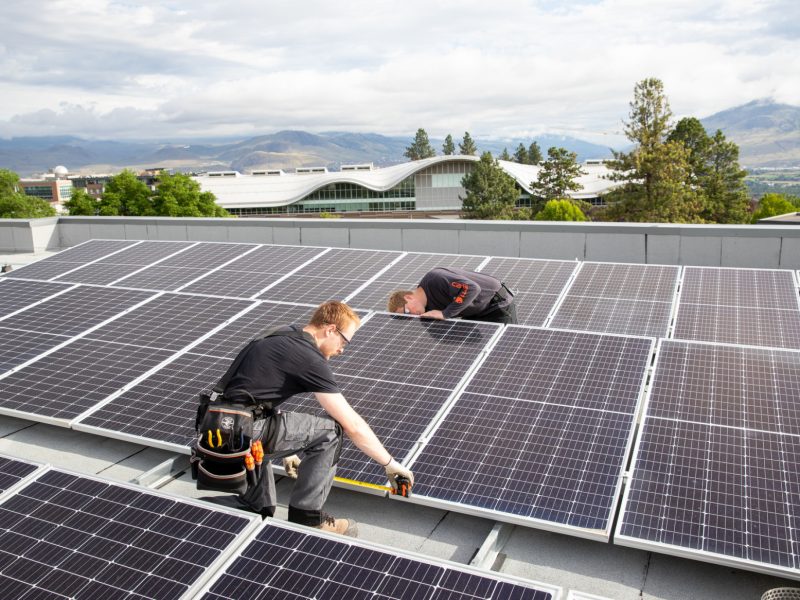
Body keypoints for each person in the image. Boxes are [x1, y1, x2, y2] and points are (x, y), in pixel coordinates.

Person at [205, 301, 414, 537]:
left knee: (259, 509)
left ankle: (204, 511)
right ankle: (308, 517)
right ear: (330, 330)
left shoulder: (282, 333)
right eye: (344, 341)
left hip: (217, 428)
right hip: (246, 431)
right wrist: (389, 464)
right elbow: (352, 425)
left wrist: (288, 449)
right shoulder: (308, 357)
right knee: (331, 430)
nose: (343, 349)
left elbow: (252, 394)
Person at [387, 267, 517, 324]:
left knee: (505, 352)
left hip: (497, 305)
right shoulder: (427, 310)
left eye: (407, 311)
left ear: (408, 297)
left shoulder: (435, 279)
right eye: (406, 317)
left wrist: (445, 314)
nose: (411, 316)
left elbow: (472, 288)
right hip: (476, 314)